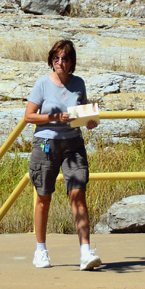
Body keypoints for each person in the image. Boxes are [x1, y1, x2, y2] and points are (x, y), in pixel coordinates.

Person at [24, 39, 101, 270]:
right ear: (51, 60)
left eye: (64, 58)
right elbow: (29, 116)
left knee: (78, 194)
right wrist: (54, 118)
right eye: (56, 58)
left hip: (73, 144)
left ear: (71, 62)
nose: (60, 62)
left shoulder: (79, 83)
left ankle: (86, 252)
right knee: (43, 197)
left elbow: (83, 111)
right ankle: (41, 251)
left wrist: (89, 121)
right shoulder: (42, 84)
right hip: (46, 144)